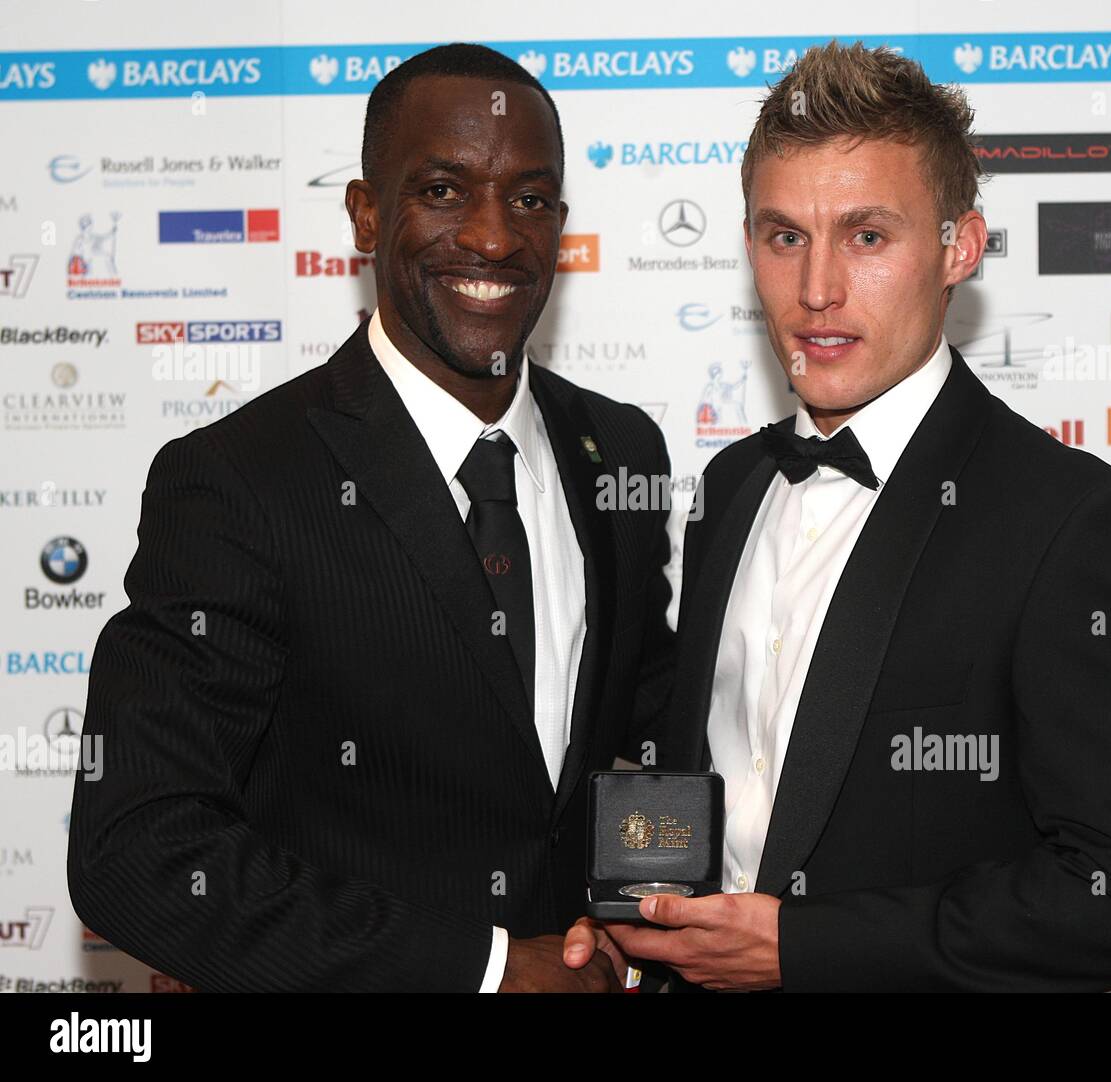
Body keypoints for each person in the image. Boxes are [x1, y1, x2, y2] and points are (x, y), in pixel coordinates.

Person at [564, 40, 1111, 992]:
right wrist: (644, 923)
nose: (817, 289)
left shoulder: (1075, 523)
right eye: (786, 236)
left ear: (959, 247)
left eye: (867, 237)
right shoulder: (734, 489)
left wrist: (801, 950)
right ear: (749, 246)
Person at [67, 43, 674, 992]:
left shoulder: (621, 452)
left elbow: (641, 743)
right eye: (442, 191)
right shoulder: (238, 482)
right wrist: (486, 971)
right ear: (364, 212)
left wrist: (650, 927)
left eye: (529, 198)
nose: (492, 238)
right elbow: (137, 848)